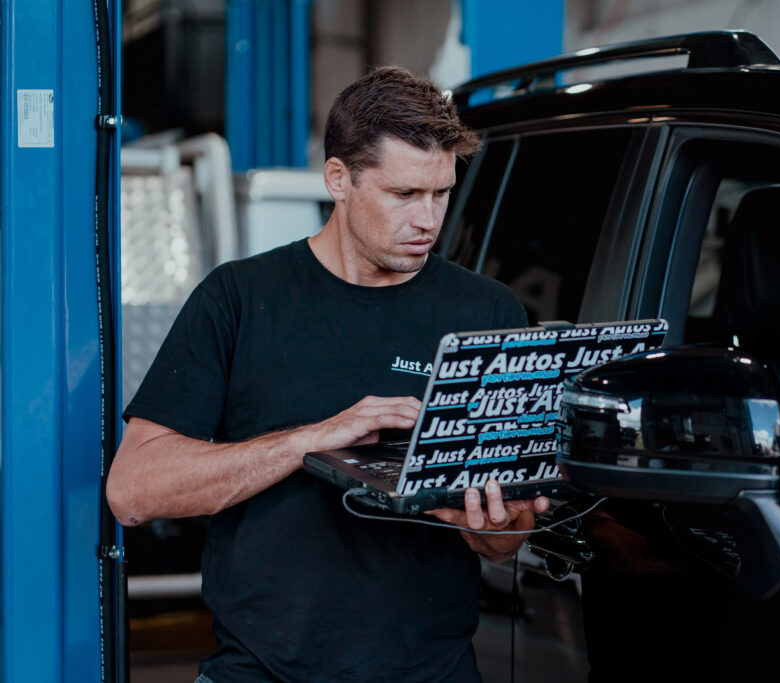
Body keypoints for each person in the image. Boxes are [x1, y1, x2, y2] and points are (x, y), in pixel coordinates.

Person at [106, 66, 549, 682]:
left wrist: (498, 528)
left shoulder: (486, 313)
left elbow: (504, 540)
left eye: (441, 193)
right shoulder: (240, 298)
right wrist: (312, 440)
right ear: (338, 179)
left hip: (431, 670)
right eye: (403, 195)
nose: (427, 221)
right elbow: (134, 491)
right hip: (260, 671)